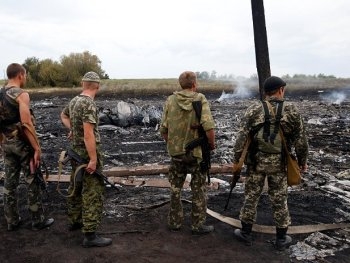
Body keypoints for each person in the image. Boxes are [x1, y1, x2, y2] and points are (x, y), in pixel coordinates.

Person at [232, 76, 308, 250]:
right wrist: (302, 161)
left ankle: (246, 233)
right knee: (280, 198)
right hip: (279, 164)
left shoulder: (254, 109)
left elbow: (241, 138)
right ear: (281, 90)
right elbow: (301, 141)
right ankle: (281, 239)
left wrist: (237, 160)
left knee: (251, 196)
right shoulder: (292, 110)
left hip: (256, 162)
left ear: (265, 92)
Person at [160, 71, 216, 235]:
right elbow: (209, 127)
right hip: (196, 155)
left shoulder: (170, 100)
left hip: (176, 154)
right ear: (194, 84)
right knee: (198, 189)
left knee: (175, 189)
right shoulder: (200, 99)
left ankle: (174, 222)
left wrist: (173, 143)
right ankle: (197, 225)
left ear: (180, 84)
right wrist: (211, 145)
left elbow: (163, 129)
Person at [60, 71, 112, 248]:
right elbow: (89, 134)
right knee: (92, 192)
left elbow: (64, 115)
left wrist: (73, 130)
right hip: (85, 155)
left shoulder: (75, 101)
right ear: (97, 86)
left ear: (83, 84)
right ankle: (90, 235)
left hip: (74, 153)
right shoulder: (89, 104)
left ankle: (74, 221)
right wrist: (93, 159)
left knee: (76, 186)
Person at [1, 63, 54, 231]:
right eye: (25, 75)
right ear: (20, 75)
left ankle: (12, 221)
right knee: (32, 179)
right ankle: (37, 220)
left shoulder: (0, 94)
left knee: (9, 183)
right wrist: (36, 148)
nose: (26, 78)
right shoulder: (21, 95)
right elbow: (26, 123)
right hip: (23, 145)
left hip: (6, 144)